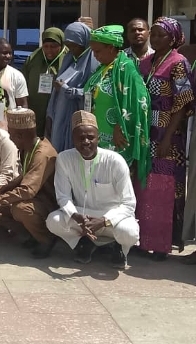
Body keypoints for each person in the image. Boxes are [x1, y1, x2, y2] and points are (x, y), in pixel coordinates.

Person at [46, 111, 139, 269]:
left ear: (98, 138)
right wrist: (76, 216)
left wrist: (104, 220)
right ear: (73, 139)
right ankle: (84, 243)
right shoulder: (64, 159)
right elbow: (63, 197)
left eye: (91, 137)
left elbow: (129, 203)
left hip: (112, 218)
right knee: (53, 221)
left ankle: (118, 247)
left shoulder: (115, 161)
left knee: (129, 232)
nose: (86, 142)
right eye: (81, 138)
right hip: (83, 217)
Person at [136, 17, 194, 259]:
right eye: (155, 34)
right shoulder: (146, 62)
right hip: (145, 134)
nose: (156, 39)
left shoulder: (178, 63)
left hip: (167, 137)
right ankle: (144, 240)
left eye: (162, 35)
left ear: (173, 39)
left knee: (164, 190)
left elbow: (182, 104)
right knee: (145, 187)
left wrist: (168, 137)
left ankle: (161, 245)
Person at [0, 107, 58, 258]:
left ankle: (46, 238)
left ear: (20, 135)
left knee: (21, 209)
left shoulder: (43, 154)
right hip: (34, 198)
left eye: (11, 135)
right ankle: (31, 234)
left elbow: (27, 190)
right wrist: (6, 188)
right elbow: (26, 174)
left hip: (47, 202)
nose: (10, 139)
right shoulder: (28, 147)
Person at [84, 25, 150, 185]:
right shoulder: (102, 68)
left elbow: (139, 101)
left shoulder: (126, 68)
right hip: (98, 135)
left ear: (111, 48)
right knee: (98, 182)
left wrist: (121, 126)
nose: (95, 56)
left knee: (113, 183)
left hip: (116, 138)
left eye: (98, 51)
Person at [45, 22, 99, 153]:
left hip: (80, 118)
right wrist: (50, 115)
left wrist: (67, 90)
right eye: (68, 46)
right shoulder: (69, 59)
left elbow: (93, 93)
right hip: (61, 115)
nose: (71, 49)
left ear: (84, 42)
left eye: (74, 46)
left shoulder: (93, 62)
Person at [21, 27, 65, 137]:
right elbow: (22, 83)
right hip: (36, 108)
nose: (49, 50)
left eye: (53, 46)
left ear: (61, 45)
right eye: (46, 46)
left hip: (59, 109)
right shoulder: (33, 58)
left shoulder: (68, 60)